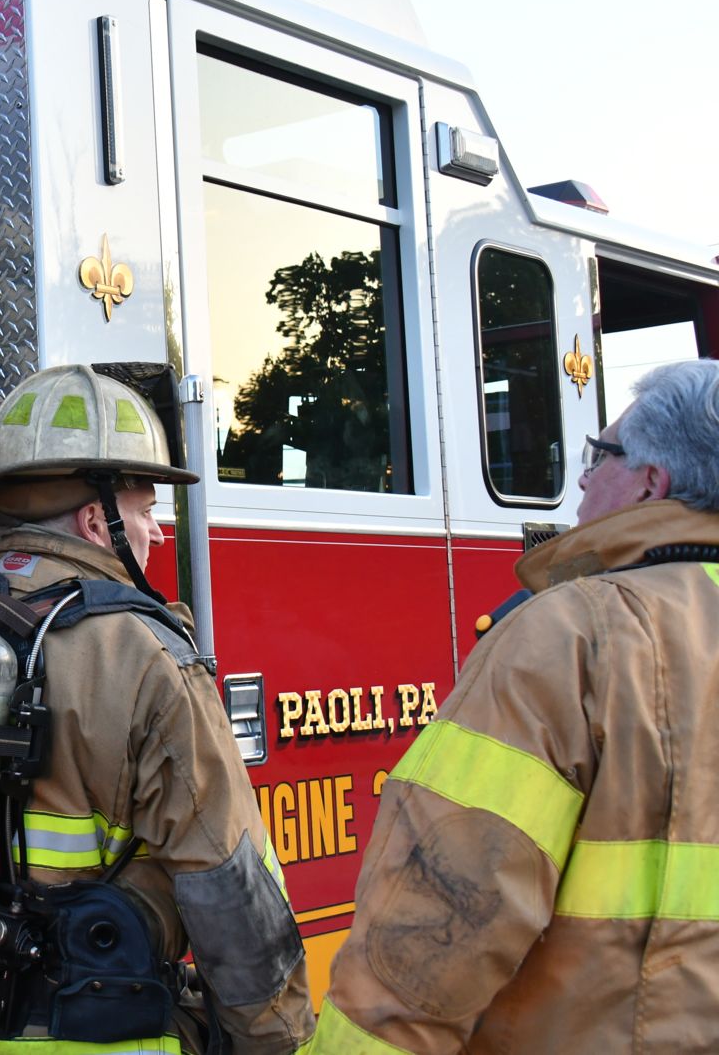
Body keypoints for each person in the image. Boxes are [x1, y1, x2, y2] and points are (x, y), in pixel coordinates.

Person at [0, 319, 314, 1054]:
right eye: (144, 510)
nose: (156, 533)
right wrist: (278, 1043)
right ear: (95, 521)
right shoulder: (150, 658)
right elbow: (233, 891)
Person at [305, 358, 719, 1053]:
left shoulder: (574, 635)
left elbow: (440, 925)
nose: (583, 477)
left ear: (653, 483)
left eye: (601, 455)